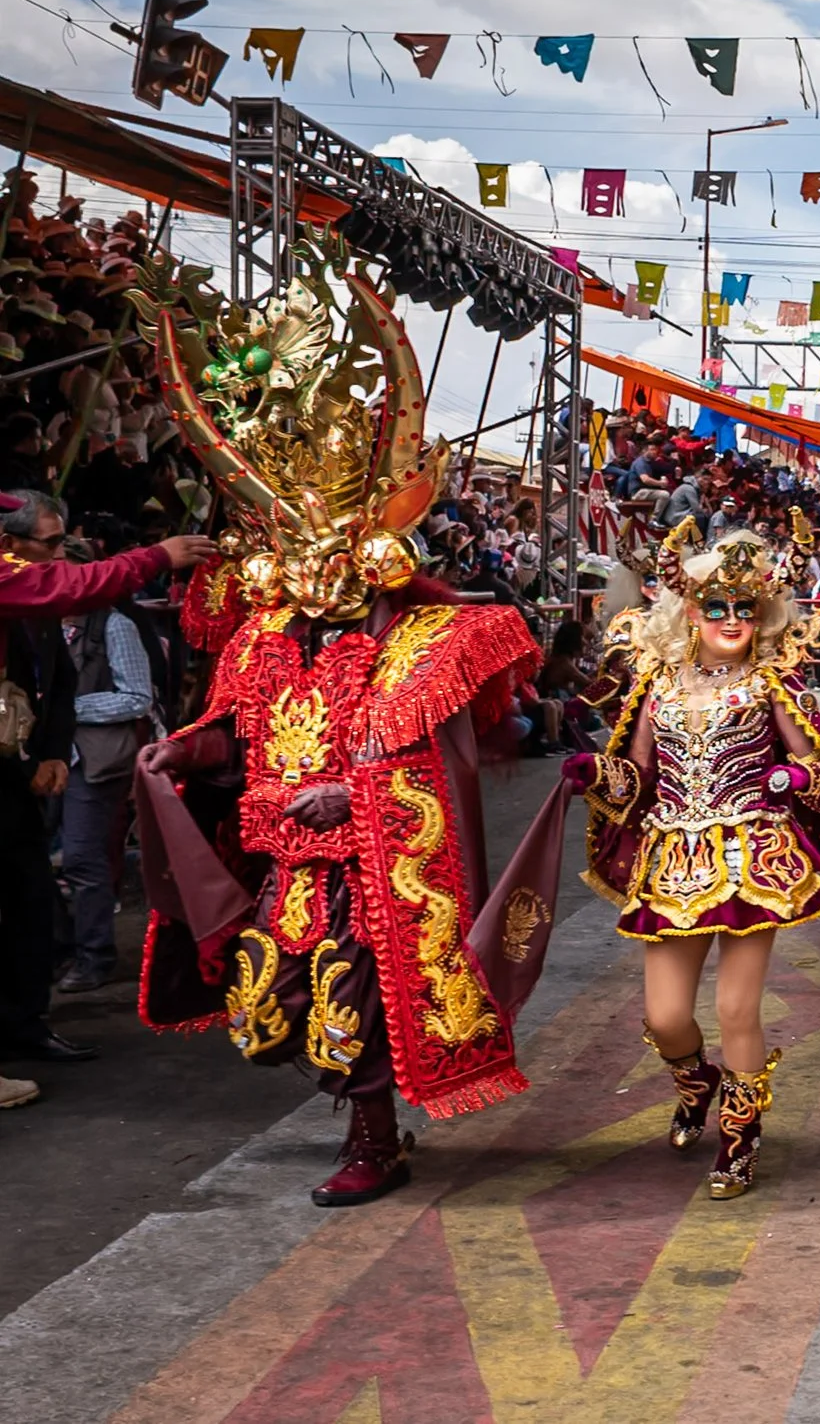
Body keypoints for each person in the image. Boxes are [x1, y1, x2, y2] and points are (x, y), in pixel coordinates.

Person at [131, 238, 551, 1206]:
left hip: (372, 856)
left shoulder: (424, 640)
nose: (314, 577)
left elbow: (445, 745)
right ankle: (362, 1111)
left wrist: (349, 791)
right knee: (277, 996)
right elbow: (231, 727)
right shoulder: (263, 634)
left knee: (356, 993)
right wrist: (178, 746)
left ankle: (372, 1134)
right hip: (288, 857)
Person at [571, 521, 820, 1198]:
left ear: (762, 612)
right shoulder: (655, 686)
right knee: (664, 1017)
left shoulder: (770, 684)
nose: (729, 620)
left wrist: (794, 781)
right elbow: (636, 778)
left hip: (754, 861)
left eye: (743, 608)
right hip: (671, 860)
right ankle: (698, 1085)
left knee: (738, 1009)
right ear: (689, 611)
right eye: (714, 607)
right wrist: (596, 775)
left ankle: (740, 1139)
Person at [53, 523, 158, 996]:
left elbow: (137, 697)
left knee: (82, 856)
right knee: (32, 860)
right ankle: (58, 947)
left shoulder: (113, 625)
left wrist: (67, 710)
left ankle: (94, 955)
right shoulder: (36, 625)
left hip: (89, 760)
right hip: (40, 758)